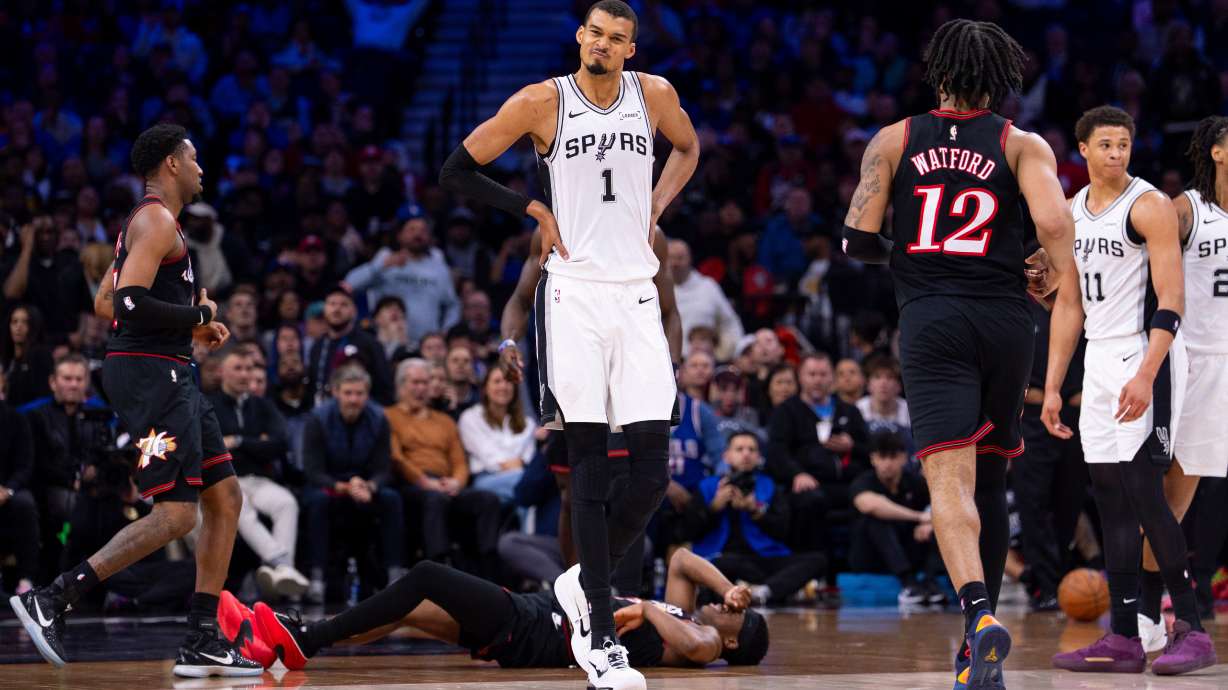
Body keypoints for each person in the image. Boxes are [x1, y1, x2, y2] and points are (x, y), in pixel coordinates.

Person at [438, 2, 699, 686]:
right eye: (594, 33)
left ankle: (582, 585)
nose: (603, 45)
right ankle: (604, 632)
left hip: (637, 292)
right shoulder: (540, 102)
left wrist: (657, 208)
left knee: (651, 474)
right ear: (579, 36)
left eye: (616, 38)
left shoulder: (656, 95)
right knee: (586, 458)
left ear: (631, 49)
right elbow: (456, 170)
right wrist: (531, 208)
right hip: (574, 293)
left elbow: (691, 148)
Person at [841, 19, 1077, 690]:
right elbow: (1056, 225)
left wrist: (911, 256)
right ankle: (979, 661)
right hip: (1006, 320)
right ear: (1000, 81)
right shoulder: (1020, 143)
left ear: (937, 73)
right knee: (994, 478)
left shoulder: (895, 139)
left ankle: (977, 617)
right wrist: (1048, 269)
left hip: (933, 320)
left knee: (950, 481)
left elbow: (856, 241)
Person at [10, 123, 261, 677]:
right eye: (193, 159)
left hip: (170, 371)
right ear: (171, 163)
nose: (200, 169)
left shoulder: (155, 227)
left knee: (226, 500)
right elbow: (125, 303)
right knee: (175, 513)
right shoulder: (154, 219)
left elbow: (105, 302)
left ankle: (202, 637)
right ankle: (51, 598)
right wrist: (199, 316)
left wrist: (190, 329)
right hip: (151, 378)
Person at [1045, 106, 1214, 676]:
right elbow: (1068, 306)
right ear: (1084, 150)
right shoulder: (1070, 211)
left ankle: (1189, 626)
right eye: (1106, 145)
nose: (1116, 153)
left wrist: (1146, 372)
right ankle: (1122, 638)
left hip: (1149, 351)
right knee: (1110, 495)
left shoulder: (1150, 206)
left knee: (1145, 491)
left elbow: (1172, 298)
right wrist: (1051, 387)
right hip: (1099, 357)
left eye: (1124, 144)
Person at [246, 545, 767, 673]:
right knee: (411, 608)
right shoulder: (687, 614)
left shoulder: (700, 645)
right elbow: (681, 559)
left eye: (733, 612)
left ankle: (305, 641)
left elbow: (699, 646)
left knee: (428, 575)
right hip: (532, 617)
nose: (723, 605)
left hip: (536, 628)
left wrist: (649, 611)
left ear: (734, 639)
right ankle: (297, 640)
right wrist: (731, 585)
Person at [1171, 115, 1228, 622]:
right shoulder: (1190, 209)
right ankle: (1158, 598)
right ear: (1217, 151)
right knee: (1181, 491)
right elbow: (1135, 245)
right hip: (1196, 359)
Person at [206, 349, 307, 600]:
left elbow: (279, 444)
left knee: (286, 503)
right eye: (237, 368)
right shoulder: (209, 404)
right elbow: (212, 446)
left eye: (248, 369)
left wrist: (239, 442)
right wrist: (257, 442)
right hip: (225, 481)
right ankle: (283, 566)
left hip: (258, 479)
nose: (244, 374)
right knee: (242, 511)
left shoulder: (262, 405)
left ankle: (281, 573)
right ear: (222, 372)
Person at [386, 358, 501, 578]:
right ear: (401, 386)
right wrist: (425, 482)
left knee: (488, 500)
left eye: (425, 383)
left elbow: (459, 460)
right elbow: (397, 457)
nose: (421, 388)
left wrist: (457, 481)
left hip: (445, 483)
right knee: (434, 499)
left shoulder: (444, 421)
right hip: (412, 485)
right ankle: (439, 571)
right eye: (415, 383)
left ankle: (489, 572)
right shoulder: (389, 416)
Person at [300, 364, 405, 604]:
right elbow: (312, 471)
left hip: (365, 486)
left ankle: (395, 576)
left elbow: (384, 468)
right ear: (336, 392)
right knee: (318, 501)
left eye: (359, 394)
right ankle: (317, 577)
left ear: (367, 395)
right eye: (348, 393)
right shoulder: (318, 419)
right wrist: (344, 487)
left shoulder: (379, 419)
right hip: (330, 484)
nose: (354, 399)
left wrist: (370, 486)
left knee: (391, 499)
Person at [695, 432, 825, 606]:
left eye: (752, 450)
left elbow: (782, 531)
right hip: (723, 557)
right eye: (739, 449)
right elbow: (689, 530)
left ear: (758, 457)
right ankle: (770, 588)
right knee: (723, 563)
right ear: (726, 456)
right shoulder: (708, 486)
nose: (746, 454)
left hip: (762, 558)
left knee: (817, 560)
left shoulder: (768, 485)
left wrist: (755, 510)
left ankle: (763, 592)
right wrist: (714, 507)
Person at [766, 353, 869, 551]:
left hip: (849, 482)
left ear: (832, 378)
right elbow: (777, 451)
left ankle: (860, 569)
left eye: (823, 374)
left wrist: (852, 446)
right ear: (801, 377)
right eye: (811, 374)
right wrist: (797, 474)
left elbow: (871, 451)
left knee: (871, 499)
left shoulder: (849, 411)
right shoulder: (786, 411)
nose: (817, 380)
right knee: (810, 501)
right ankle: (816, 569)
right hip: (809, 482)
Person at [850, 431, 944, 607]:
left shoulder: (914, 482)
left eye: (893, 457)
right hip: (871, 556)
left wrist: (929, 523)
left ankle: (930, 582)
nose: (887, 464)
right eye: (882, 457)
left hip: (907, 549)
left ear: (903, 458)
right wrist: (919, 517)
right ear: (873, 459)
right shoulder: (863, 481)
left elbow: (939, 505)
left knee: (937, 527)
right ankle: (908, 583)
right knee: (875, 521)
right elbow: (870, 505)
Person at [344, 215, 460, 350]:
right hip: (387, 342)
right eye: (412, 229)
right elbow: (350, 284)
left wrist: (446, 330)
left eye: (423, 230)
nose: (418, 234)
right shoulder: (385, 258)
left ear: (429, 237)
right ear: (399, 235)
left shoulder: (439, 269)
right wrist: (380, 266)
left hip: (426, 345)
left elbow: (453, 306)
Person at [304, 284, 394, 407]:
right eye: (332, 304)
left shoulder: (370, 344)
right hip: (322, 415)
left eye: (343, 304)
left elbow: (385, 390)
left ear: (354, 311)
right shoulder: (318, 346)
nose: (337, 309)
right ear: (325, 309)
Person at [458, 365, 537, 503]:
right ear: (485, 388)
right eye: (497, 381)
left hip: (521, 478)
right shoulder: (470, 418)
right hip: (486, 480)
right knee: (532, 484)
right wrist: (513, 464)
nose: (503, 386)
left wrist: (516, 465)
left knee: (530, 493)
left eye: (508, 381)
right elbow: (490, 459)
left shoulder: (527, 423)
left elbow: (528, 459)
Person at [668, 238, 744, 360]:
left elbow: (729, 322)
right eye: (671, 258)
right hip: (669, 361)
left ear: (690, 259)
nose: (675, 263)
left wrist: (727, 354)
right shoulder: (656, 290)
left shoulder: (708, 286)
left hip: (705, 360)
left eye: (680, 258)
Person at [0, 366, 37, 596]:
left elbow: (25, 465)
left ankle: (26, 579)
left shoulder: (15, 419)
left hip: (9, 488)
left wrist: (8, 489)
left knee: (25, 504)